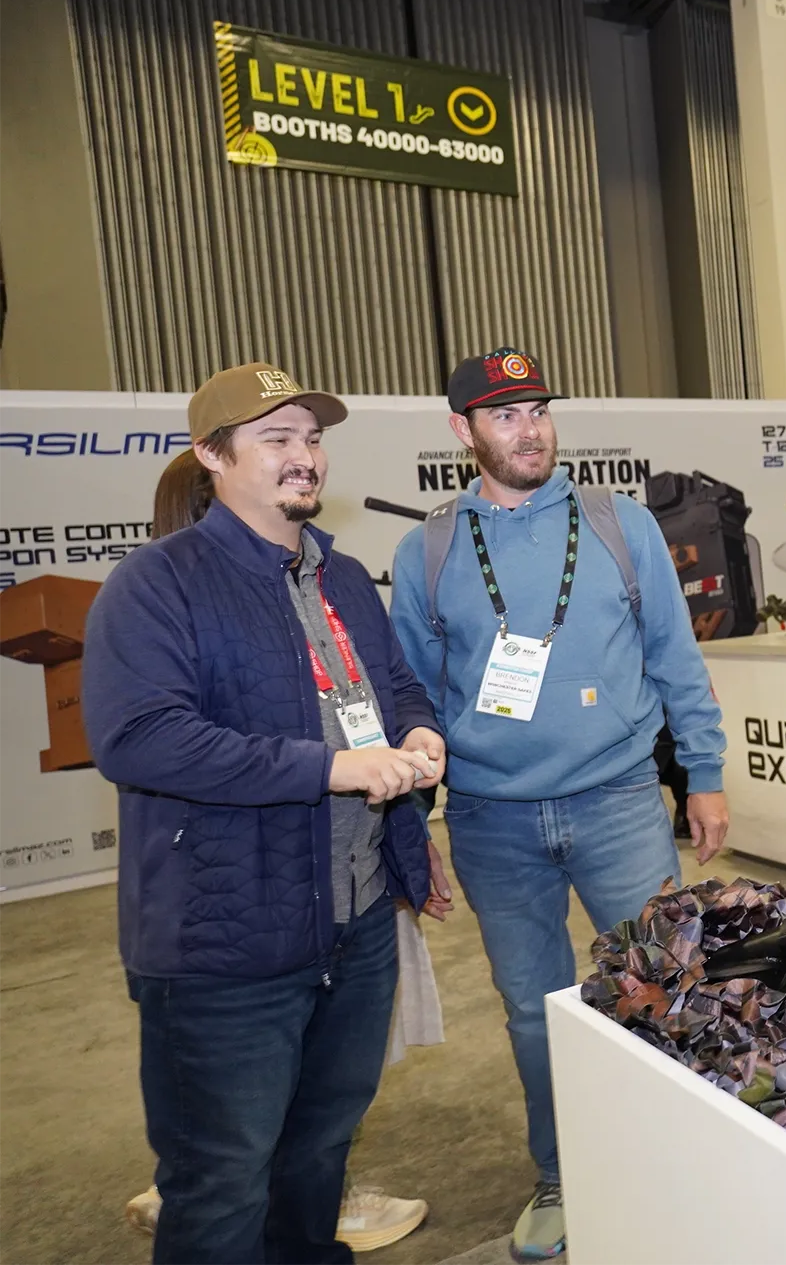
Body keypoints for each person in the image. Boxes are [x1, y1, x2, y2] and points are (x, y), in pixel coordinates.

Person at [84, 363, 449, 1265]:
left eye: (313, 438)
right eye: (276, 438)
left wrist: (418, 729)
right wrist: (330, 766)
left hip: (357, 923)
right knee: (223, 1179)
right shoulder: (157, 583)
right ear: (212, 455)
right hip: (226, 944)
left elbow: (394, 684)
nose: (305, 457)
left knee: (319, 1151)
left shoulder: (343, 576)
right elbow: (140, 738)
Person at [389, 347, 729, 1262]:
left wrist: (703, 773)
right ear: (462, 431)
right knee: (536, 1012)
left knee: (666, 985)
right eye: (505, 415)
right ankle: (563, 1172)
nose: (530, 428)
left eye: (538, 409)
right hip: (491, 820)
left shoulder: (620, 525)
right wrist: (411, 830)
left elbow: (676, 658)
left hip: (620, 802)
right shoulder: (427, 550)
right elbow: (412, 700)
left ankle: (687, 1161)